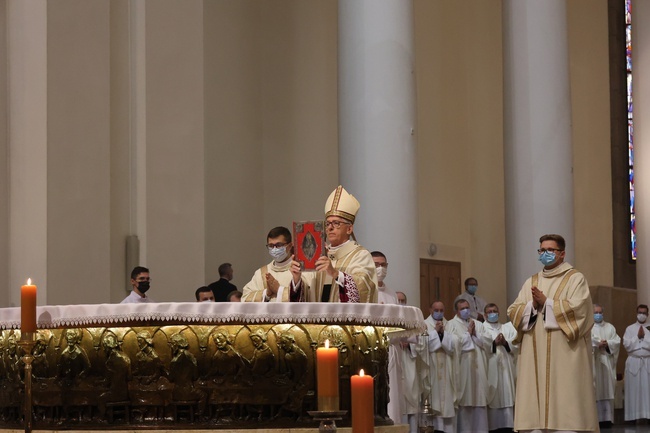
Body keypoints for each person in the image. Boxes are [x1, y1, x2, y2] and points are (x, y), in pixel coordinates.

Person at [507, 233, 598, 432]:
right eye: (542, 250)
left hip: (565, 355)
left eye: (550, 250)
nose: (545, 254)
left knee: (566, 408)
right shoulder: (532, 281)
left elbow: (581, 310)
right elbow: (513, 310)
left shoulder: (575, 279)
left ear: (562, 253)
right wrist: (533, 306)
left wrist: (547, 303)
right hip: (535, 351)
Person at [293, 185, 378, 303]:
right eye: (327, 224)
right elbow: (307, 290)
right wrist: (297, 278)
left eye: (336, 223)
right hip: (318, 320)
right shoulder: (318, 255)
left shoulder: (360, 255)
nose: (330, 228)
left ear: (349, 229)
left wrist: (335, 273)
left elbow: (365, 287)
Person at [446, 298, 489, 433]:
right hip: (463, 366)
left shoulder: (478, 324)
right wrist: (468, 335)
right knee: (465, 401)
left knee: (479, 400)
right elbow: (452, 344)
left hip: (478, 366)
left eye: (467, 307)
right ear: (457, 311)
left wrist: (475, 334)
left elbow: (488, 341)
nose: (466, 310)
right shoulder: (451, 324)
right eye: (462, 308)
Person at [370, 251, 402, 423]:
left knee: (393, 395)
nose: (380, 268)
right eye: (376, 264)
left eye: (383, 265)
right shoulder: (365, 290)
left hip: (392, 348)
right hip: (374, 350)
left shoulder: (391, 294)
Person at [421, 301, 457, 433]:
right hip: (431, 366)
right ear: (430, 310)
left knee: (446, 402)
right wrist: (436, 332)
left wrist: (443, 334)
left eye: (442, 310)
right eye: (436, 310)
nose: (439, 312)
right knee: (433, 397)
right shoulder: (424, 324)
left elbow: (455, 343)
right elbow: (422, 344)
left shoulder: (450, 325)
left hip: (447, 366)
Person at [241, 226, 305, 302]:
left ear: (290, 246)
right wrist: (266, 293)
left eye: (279, 245)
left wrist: (279, 290)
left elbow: (306, 297)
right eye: (271, 246)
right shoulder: (261, 273)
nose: (274, 249)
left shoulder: (299, 269)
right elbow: (244, 298)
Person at [480, 303, 517, 433]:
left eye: (495, 311)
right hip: (491, 368)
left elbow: (516, 344)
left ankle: (508, 426)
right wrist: (493, 343)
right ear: (485, 315)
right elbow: (481, 345)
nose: (492, 313)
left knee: (507, 395)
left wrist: (506, 343)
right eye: (489, 311)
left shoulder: (507, 328)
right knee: (493, 398)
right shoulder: (482, 328)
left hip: (506, 370)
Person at [591, 304, 620, 426]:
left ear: (603, 313)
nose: (598, 315)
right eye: (596, 312)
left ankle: (607, 419)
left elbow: (617, 341)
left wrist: (607, 343)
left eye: (600, 312)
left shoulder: (610, 327)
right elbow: (587, 341)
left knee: (607, 388)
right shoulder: (589, 327)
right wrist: (597, 344)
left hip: (607, 361)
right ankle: (596, 419)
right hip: (595, 360)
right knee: (596, 388)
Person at [623, 303, 650, 422]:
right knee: (633, 389)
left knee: (647, 389)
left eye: (644, 313)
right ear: (636, 313)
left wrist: (644, 338)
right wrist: (637, 337)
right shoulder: (630, 328)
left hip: (647, 361)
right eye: (640, 312)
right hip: (634, 361)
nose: (642, 315)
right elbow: (626, 345)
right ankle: (632, 416)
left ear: (648, 314)